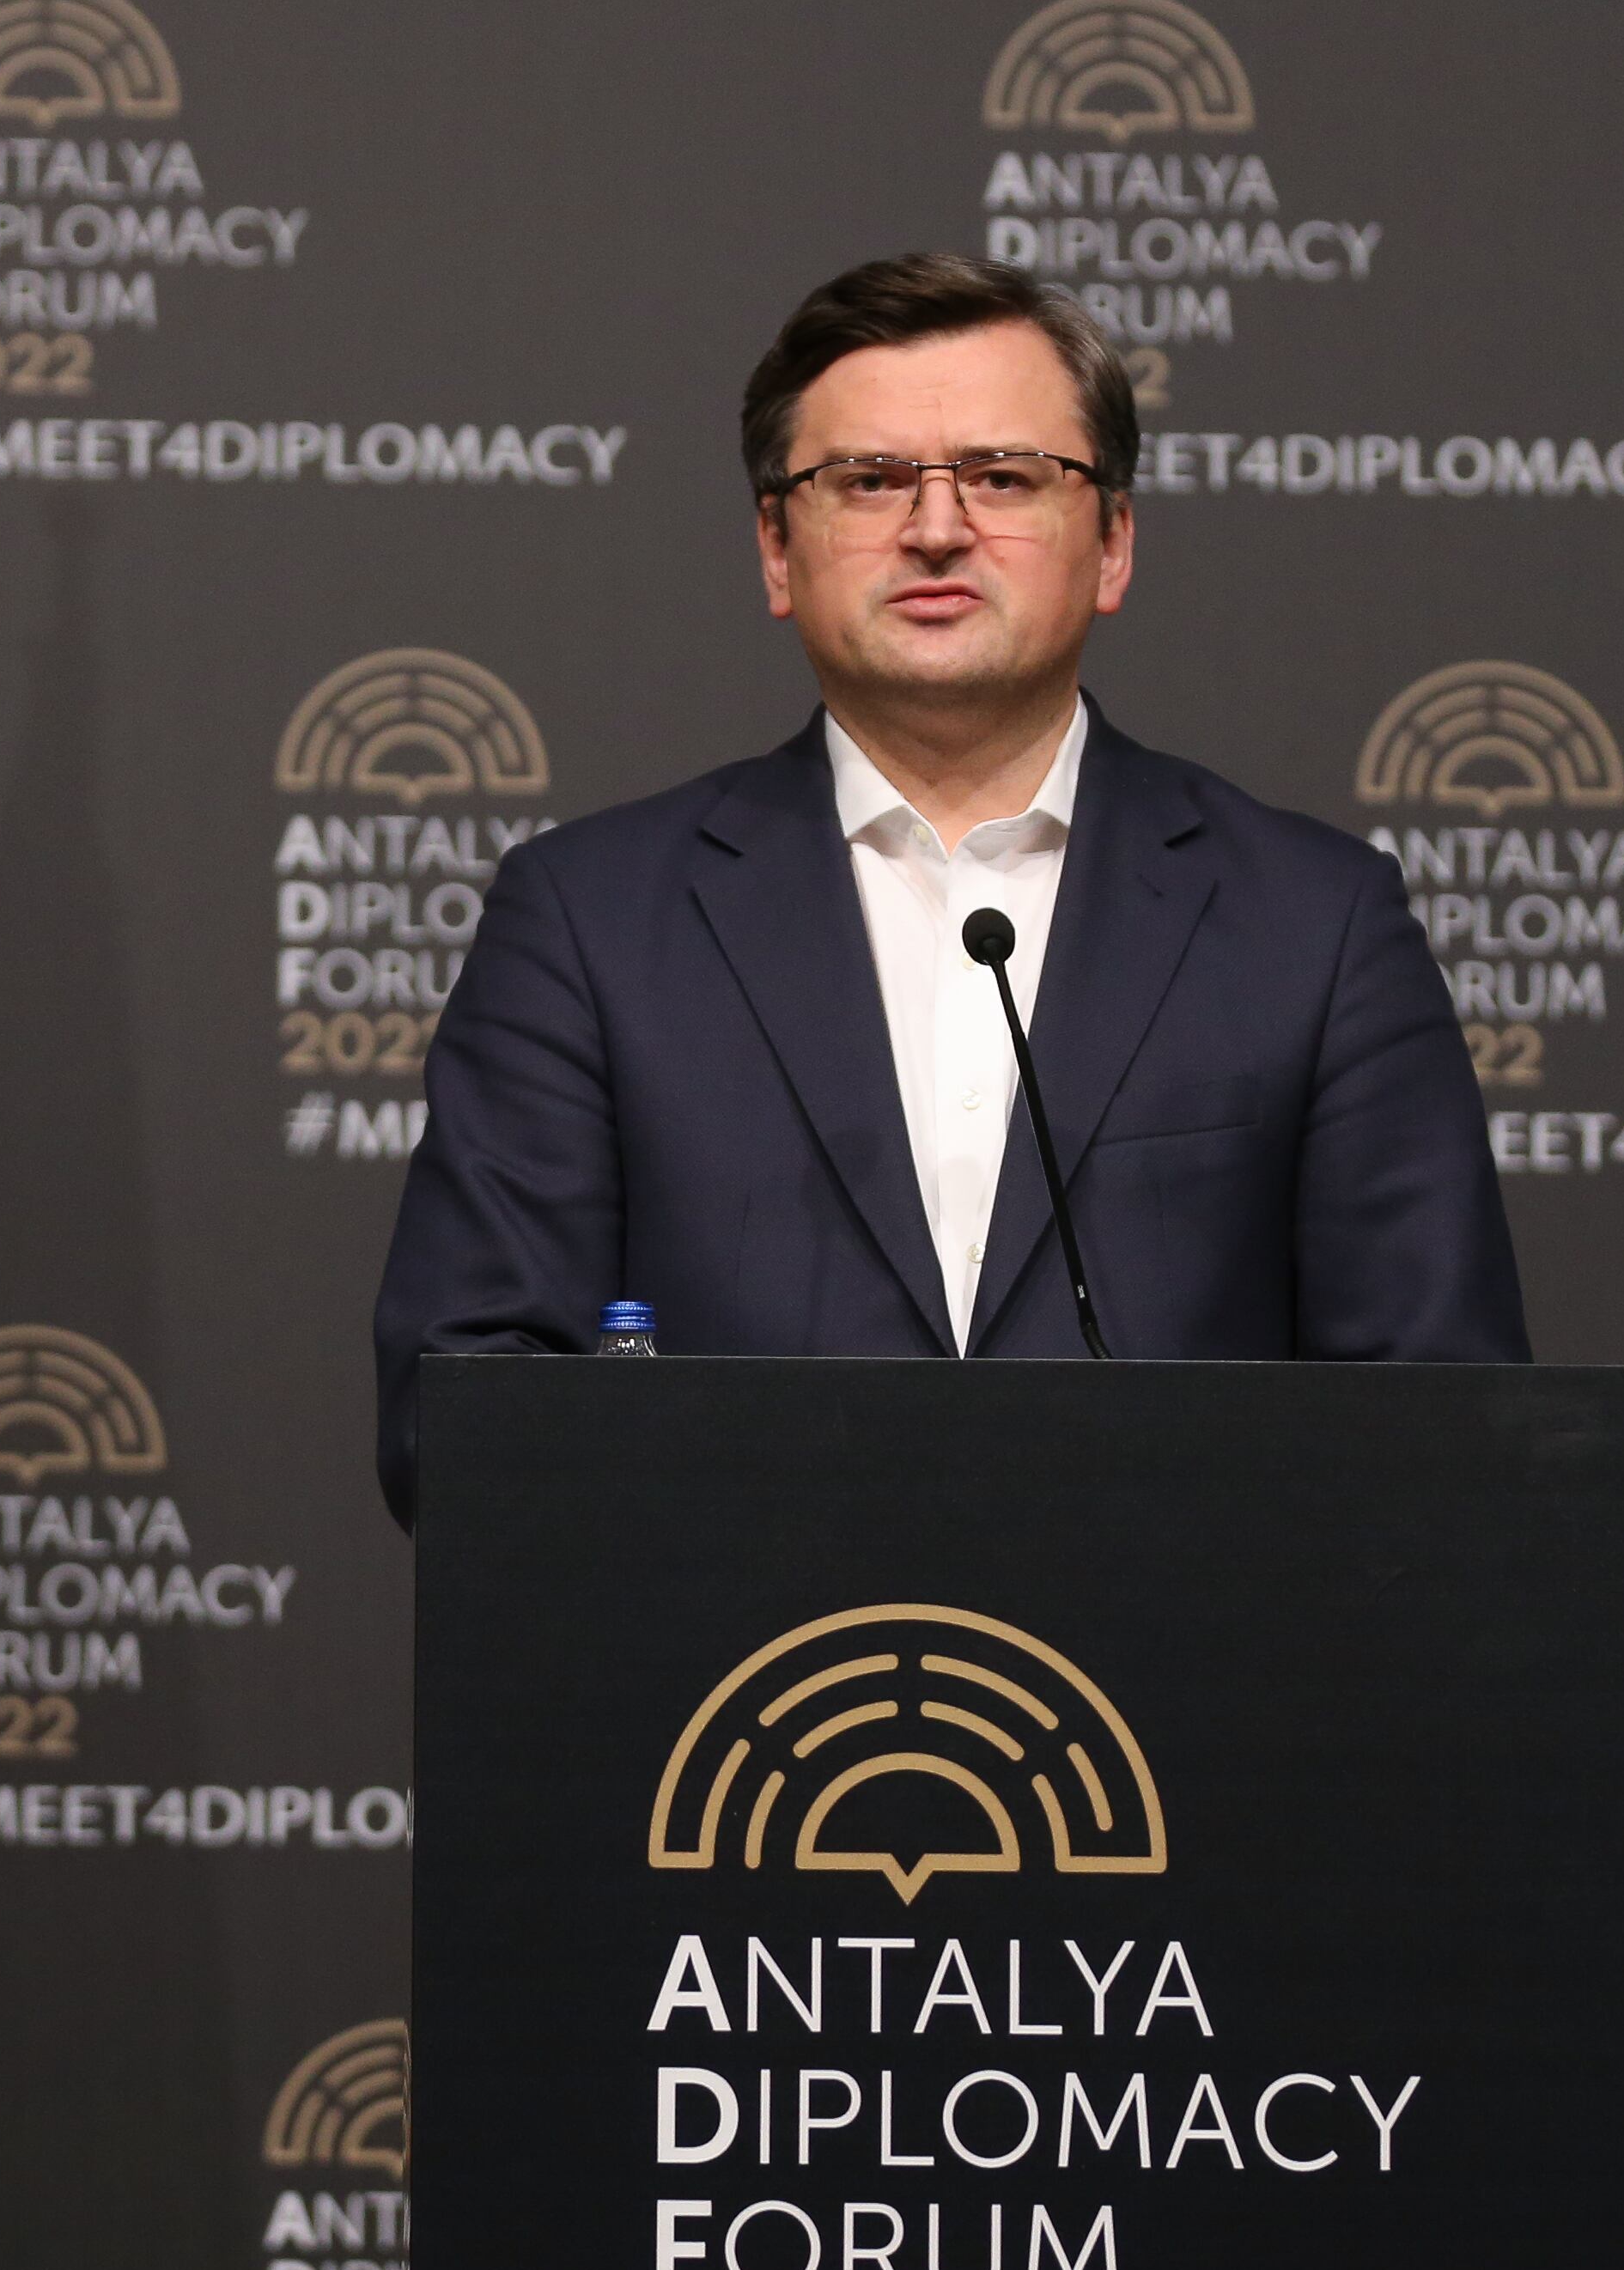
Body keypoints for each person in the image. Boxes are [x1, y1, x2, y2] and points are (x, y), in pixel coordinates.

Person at [372, 251, 1524, 1524]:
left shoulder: (1316, 925)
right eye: (866, 480)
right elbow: (459, 1415)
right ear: (774, 546)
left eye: (1001, 477)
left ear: (1112, 542)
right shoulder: (587, 923)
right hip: (738, 1705)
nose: (933, 526)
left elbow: (1444, 1434)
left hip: (1176, 1705)